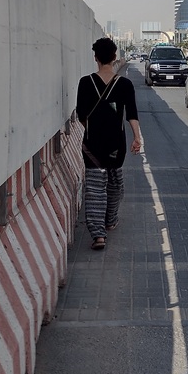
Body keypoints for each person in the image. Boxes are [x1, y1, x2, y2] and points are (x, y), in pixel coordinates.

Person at [76, 37, 142, 250]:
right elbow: (131, 114)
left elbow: (81, 115)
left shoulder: (85, 82)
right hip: (117, 145)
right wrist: (137, 137)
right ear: (115, 58)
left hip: (92, 145)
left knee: (95, 189)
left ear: (95, 58)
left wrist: (95, 129)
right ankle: (110, 220)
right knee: (115, 185)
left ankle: (98, 235)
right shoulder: (124, 84)